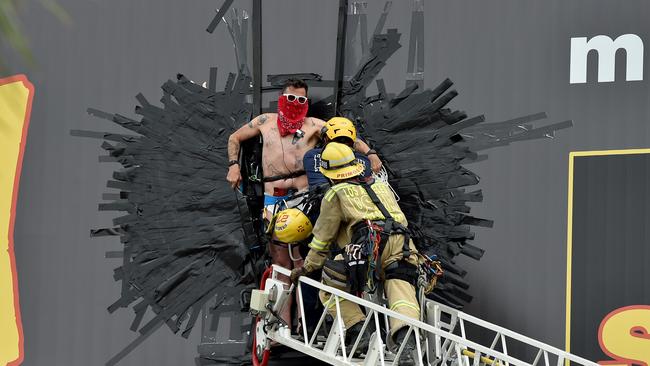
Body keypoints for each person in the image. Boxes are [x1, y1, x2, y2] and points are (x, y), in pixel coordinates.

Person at [226, 79, 381, 329]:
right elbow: (235, 138)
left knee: (305, 261)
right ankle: (281, 324)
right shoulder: (266, 122)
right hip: (274, 199)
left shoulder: (314, 125)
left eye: (301, 100)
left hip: (305, 199)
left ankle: (305, 325)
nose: (295, 104)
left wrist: (371, 153)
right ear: (281, 98)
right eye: (290, 99)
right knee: (279, 262)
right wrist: (234, 166)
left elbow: (346, 135)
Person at [290, 142, 421, 364]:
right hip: (403, 246)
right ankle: (406, 343)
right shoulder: (381, 185)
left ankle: (358, 330)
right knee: (401, 291)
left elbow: (322, 239)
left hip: (367, 248)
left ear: (329, 173)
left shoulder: (334, 194)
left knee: (329, 285)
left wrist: (307, 267)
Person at [303, 116, 374, 190]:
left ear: (325, 138)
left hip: (330, 198)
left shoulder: (313, 156)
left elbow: (320, 189)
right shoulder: (365, 160)